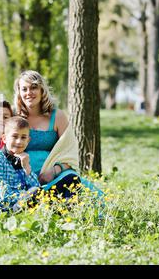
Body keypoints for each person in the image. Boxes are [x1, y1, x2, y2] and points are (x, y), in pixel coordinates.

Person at [14, 70, 103, 199]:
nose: (29, 93)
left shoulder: (57, 116)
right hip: (22, 176)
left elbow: (70, 153)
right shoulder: (14, 117)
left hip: (54, 175)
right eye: (24, 89)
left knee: (81, 194)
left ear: (42, 90)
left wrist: (54, 171)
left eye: (34, 88)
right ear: (19, 93)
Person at [0, 116, 40, 211]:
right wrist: (24, 198)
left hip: (25, 204)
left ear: (28, 141)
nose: (19, 141)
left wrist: (27, 168)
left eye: (23, 137)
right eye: (15, 136)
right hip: (4, 207)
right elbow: (3, 191)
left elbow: (37, 188)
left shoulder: (23, 159)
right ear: (4, 138)